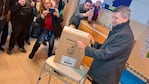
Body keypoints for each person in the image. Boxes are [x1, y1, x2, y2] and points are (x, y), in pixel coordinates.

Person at [77, 6, 134, 84]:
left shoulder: (125, 36)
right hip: (102, 73)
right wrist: (94, 43)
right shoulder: (118, 30)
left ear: (126, 18)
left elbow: (105, 54)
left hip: (105, 77)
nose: (113, 20)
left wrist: (86, 48)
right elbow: (107, 48)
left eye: (116, 18)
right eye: (113, 17)